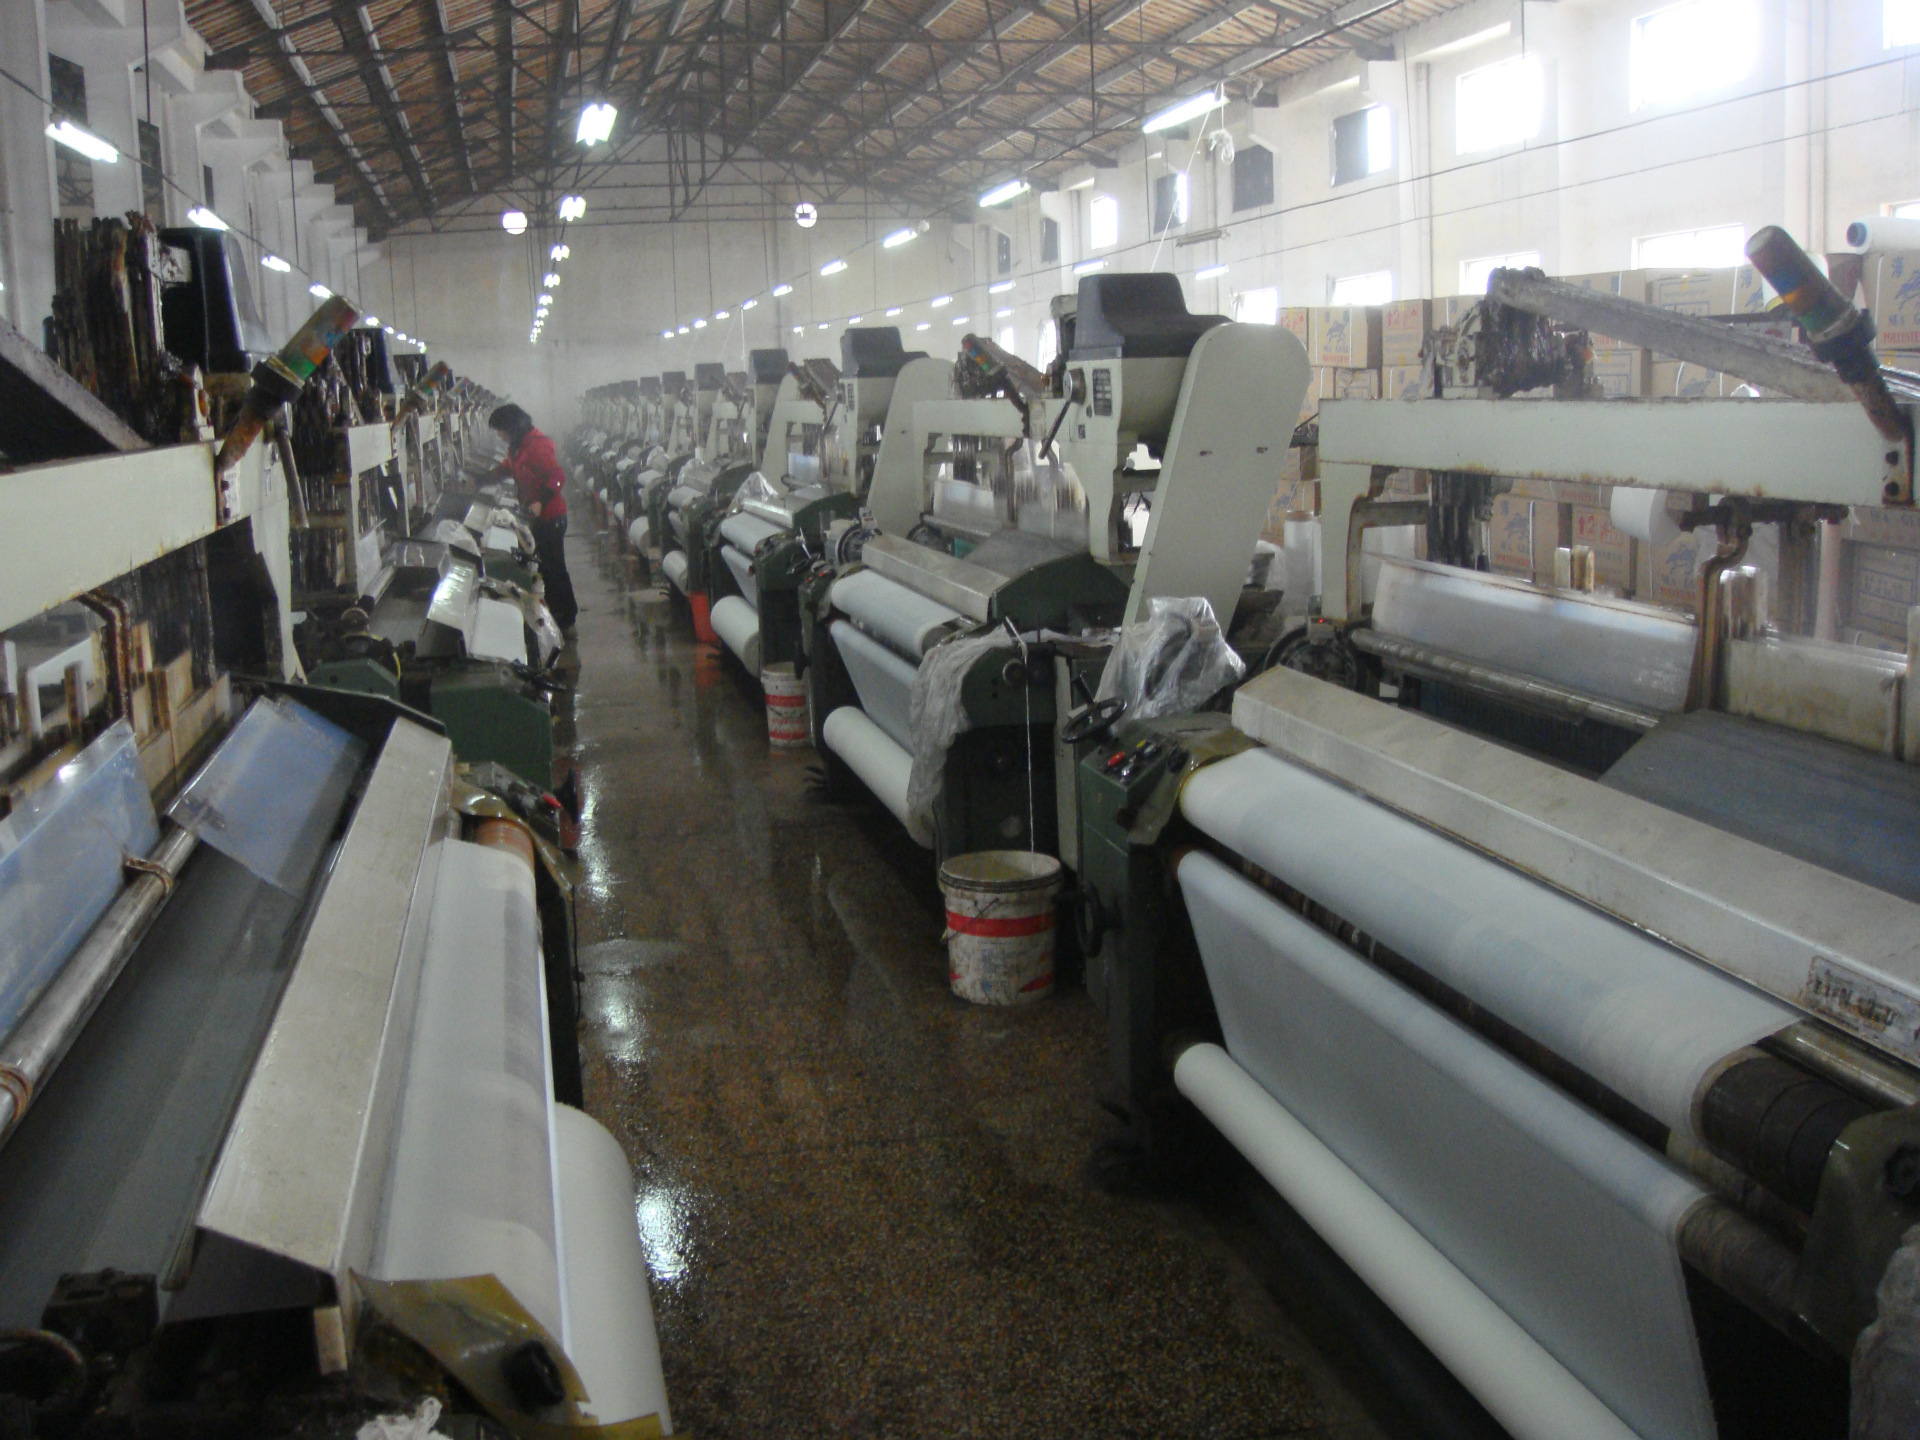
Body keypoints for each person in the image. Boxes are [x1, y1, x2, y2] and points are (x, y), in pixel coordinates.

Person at [488, 402, 579, 636]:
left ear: (512, 427)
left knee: (554, 569)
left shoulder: (536, 445)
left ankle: (566, 619)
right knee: (548, 568)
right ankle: (559, 615)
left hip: (551, 516)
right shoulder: (518, 447)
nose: (499, 435)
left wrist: (541, 501)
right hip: (538, 517)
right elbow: (508, 468)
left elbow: (558, 476)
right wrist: (482, 478)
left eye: (500, 430)